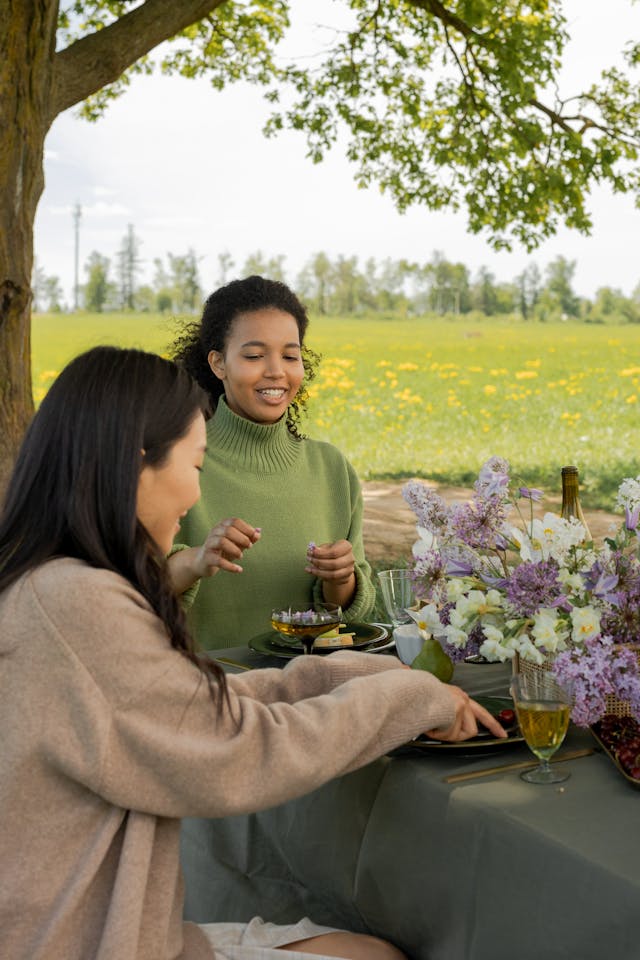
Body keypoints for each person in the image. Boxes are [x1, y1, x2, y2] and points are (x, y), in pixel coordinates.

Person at [0, 345, 505, 960]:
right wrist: (407, 695)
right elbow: (237, 752)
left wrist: (354, 673)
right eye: (195, 464)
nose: (195, 490)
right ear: (137, 463)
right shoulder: (79, 602)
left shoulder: (46, 581)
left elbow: (188, 705)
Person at [168, 275, 375, 649]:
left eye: (290, 355)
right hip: (210, 690)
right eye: (253, 355)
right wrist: (198, 559)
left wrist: (341, 578)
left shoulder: (332, 469)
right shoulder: (175, 463)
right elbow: (131, 592)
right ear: (218, 363)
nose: (276, 370)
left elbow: (347, 614)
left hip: (309, 691)